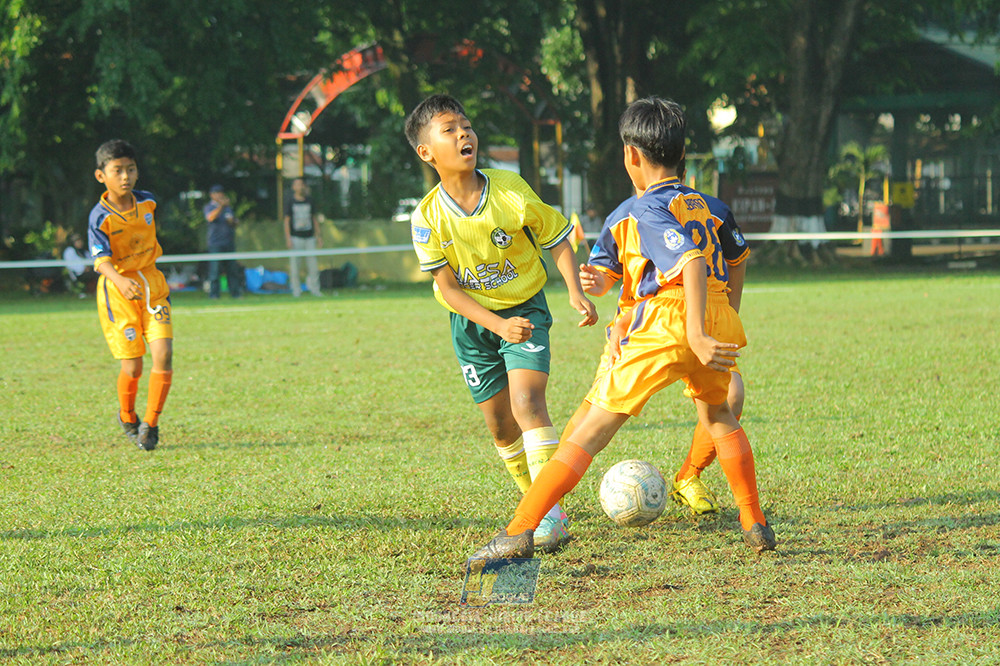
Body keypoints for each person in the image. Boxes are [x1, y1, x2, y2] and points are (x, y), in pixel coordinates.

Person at [469, 97, 775, 561]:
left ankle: (518, 531)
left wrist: (693, 331)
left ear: (631, 155)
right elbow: (736, 258)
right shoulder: (709, 206)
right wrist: (721, 315)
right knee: (718, 416)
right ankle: (754, 521)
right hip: (715, 314)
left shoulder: (643, 209)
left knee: (588, 431)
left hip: (667, 321)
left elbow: (689, 262)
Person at [404, 94, 598, 554]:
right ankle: (535, 498)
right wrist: (495, 324)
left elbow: (557, 238)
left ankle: (548, 517)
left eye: (466, 125)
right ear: (426, 152)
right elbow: (448, 290)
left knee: (527, 401)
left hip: (525, 310)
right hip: (472, 323)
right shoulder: (425, 218)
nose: (463, 134)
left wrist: (573, 289)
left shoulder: (510, 189)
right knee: (500, 426)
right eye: (448, 129)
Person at [87, 139, 173, 451]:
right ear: (102, 176)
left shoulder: (148, 202)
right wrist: (120, 281)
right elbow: (100, 259)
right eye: (117, 170)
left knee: (163, 354)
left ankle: (151, 424)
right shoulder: (100, 217)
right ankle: (127, 415)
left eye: (131, 169)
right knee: (133, 366)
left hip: (152, 286)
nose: (125, 176)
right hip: (119, 293)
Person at [283, 177, 323, 297]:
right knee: (295, 267)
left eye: (301, 184)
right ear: (293, 187)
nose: (300, 187)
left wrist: (318, 236)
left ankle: (315, 290)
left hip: (309, 238)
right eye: (297, 185)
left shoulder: (310, 200)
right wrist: (288, 238)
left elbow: (314, 219)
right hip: (296, 238)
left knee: (313, 266)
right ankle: (296, 291)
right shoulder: (290, 201)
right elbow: (286, 220)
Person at [203, 184, 242, 299]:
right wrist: (221, 206)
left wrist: (234, 221)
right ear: (212, 195)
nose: (220, 194)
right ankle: (214, 295)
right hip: (215, 244)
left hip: (229, 242)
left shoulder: (228, 208)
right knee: (215, 271)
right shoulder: (209, 207)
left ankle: (235, 294)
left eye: (221, 192)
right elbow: (210, 217)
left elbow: (233, 223)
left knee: (232, 270)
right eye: (217, 193)